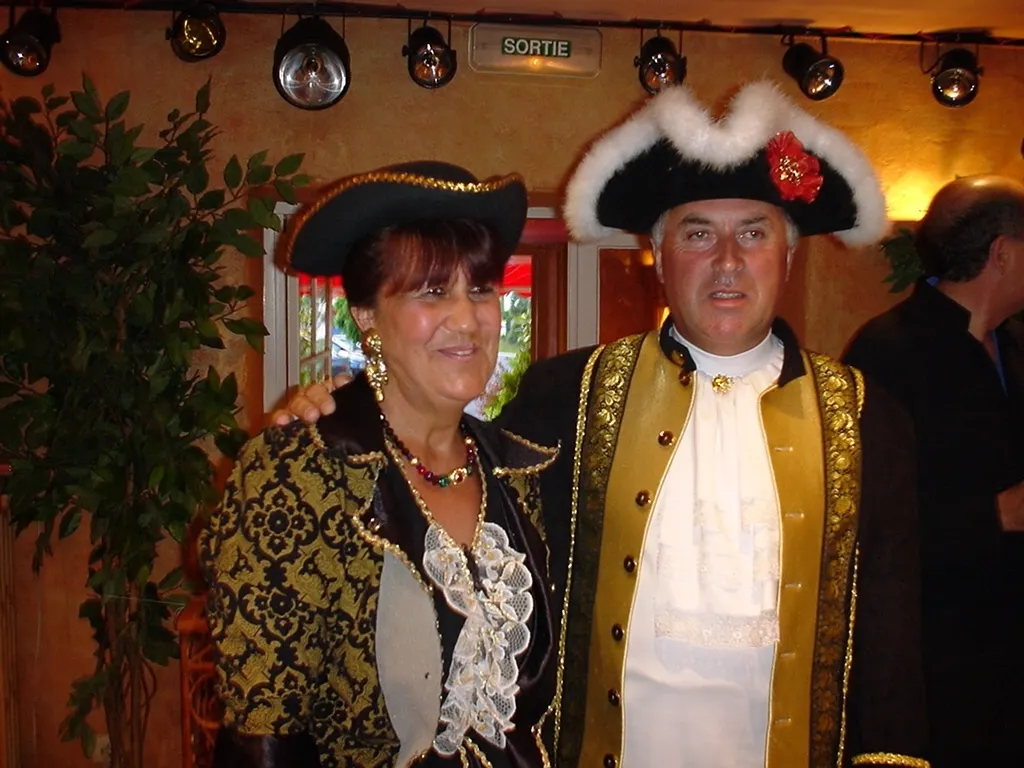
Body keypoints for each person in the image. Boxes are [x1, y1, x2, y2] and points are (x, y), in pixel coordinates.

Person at [276, 83, 930, 767]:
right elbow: (448, 474)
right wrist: (350, 410)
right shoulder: (569, 393)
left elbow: (892, 636)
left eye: (753, 233)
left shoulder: (865, 416)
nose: (728, 260)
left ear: (788, 256)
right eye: (698, 234)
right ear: (659, 256)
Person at [201, 161, 561, 768]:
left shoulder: (521, 473)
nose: (467, 319)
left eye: (480, 289)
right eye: (432, 292)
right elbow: (265, 736)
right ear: (367, 315)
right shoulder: (299, 475)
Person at [844, 175, 1024, 767]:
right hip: (934, 671)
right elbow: (859, 517)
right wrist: (995, 515)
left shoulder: (1014, 346)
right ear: (1003, 253)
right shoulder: (887, 352)